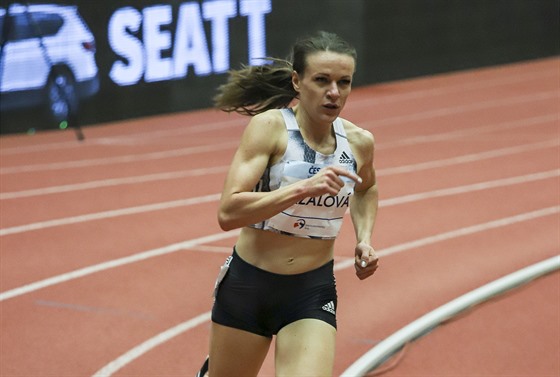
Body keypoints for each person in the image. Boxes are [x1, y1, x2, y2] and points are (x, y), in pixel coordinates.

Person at [196, 30, 379, 377]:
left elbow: (366, 188)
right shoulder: (269, 128)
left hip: (310, 290)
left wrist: (364, 238)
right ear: (297, 81)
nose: (334, 93)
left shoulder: (359, 142)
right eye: (322, 80)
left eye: (344, 82)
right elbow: (228, 211)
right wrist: (300, 189)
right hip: (249, 285)